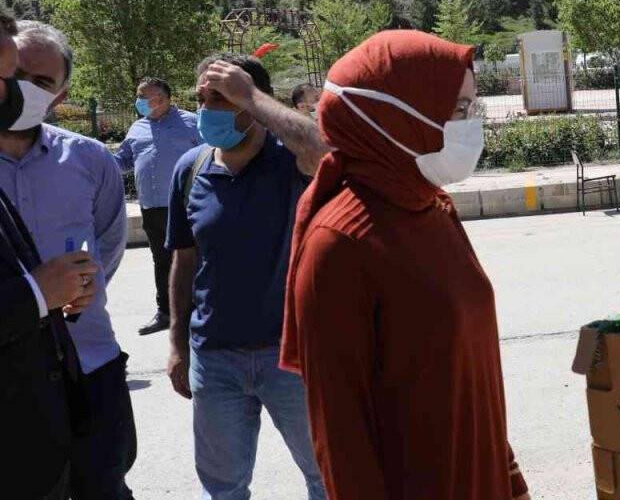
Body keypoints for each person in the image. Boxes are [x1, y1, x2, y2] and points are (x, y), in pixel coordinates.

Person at [280, 31, 529, 500]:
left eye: (470, 108)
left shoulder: (433, 206)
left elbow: (470, 381)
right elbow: (341, 440)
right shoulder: (339, 244)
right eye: (457, 110)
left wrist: (509, 478)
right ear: (393, 118)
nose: (468, 125)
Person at [165, 53, 329, 499]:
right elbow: (185, 261)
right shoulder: (191, 168)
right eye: (201, 98)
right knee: (222, 488)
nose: (206, 109)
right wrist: (178, 342)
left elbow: (327, 150)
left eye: (221, 98)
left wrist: (252, 96)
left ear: (253, 103)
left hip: (293, 357)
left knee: (328, 477)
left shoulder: (290, 162)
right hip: (215, 358)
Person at [1, 22, 132, 499]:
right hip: (12, 383)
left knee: (105, 487)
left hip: (92, 363)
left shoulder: (91, 160)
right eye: (14, 73)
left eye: (41, 83)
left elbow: (108, 247)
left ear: (62, 95)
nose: (22, 90)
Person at [114, 77, 201, 336]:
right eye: (139, 96)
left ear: (163, 98)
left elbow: (211, 156)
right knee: (160, 259)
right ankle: (165, 312)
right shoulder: (136, 128)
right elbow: (123, 161)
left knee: (194, 258)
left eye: (146, 96)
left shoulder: (191, 123)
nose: (140, 101)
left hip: (187, 204)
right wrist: (97, 160)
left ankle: (199, 312)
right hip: (151, 206)